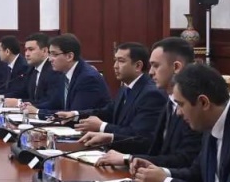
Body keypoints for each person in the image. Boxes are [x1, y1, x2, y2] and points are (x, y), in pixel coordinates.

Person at [96, 38, 202, 168]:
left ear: (176, 67)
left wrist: (128, 158)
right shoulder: (170, 101)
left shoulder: (194, 106)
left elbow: (184, 160)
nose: (151, 72)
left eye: (156, 66)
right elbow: (150, 144)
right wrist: (111, 138)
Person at [67, 42, 165, 148]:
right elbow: (108, 111)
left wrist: (102, 126)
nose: (115, 66)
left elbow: (138, 135)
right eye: (115, 60)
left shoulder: (151, 94)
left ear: (138, 66)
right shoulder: (126, 87)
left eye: (121, 61)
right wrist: (75, 114)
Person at [24, 33, 110, 113]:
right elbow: (56, 103)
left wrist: (38, 112)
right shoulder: (64, 74)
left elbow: (73, 114)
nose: (50, 59)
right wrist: (34, 106)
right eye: (50, 54)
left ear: (69, 56)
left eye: (54, 54)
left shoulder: (87, 78)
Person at [10, 33, 57, 105]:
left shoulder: (53, 69)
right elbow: (23, 92)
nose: (27, 54)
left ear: (44, 51)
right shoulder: (31, 69)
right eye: (26, 50)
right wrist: (1, 98)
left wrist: (19, 103)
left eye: (31, 50)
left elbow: (50, 101)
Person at [0, 35, 29, 100]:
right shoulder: (7, 65)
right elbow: (4, 88)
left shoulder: (23, 67)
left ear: (7, 52)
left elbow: (18, 93)